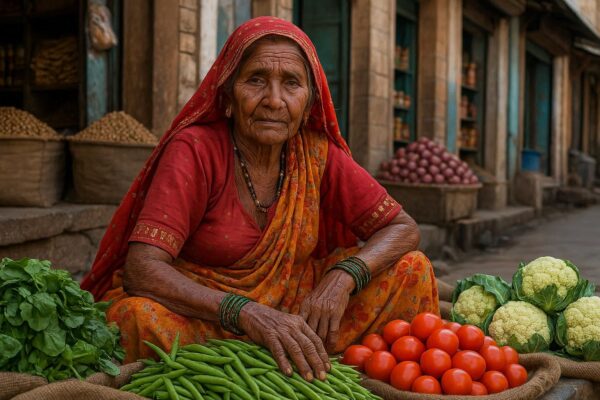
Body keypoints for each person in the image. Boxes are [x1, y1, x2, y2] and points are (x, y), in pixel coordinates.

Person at [81, 16, 439, 382]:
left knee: (412, 268)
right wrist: (245, 312)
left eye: (291, 84)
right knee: (136, 318)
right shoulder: (195, 150)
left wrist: (341, 278)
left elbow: (401, 227)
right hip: (208, 317)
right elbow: (142, 269)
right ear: (228, 97)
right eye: (255, 80)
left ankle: (307, 361)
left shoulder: (316, 154)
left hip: (299, 312)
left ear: (309, 101)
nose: (273, 100)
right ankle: (287, 368)